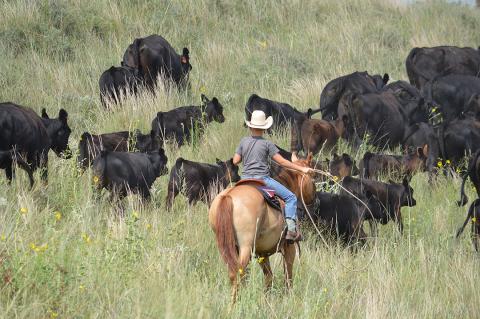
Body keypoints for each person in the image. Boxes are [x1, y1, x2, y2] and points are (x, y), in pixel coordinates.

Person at [233, 110, 313, 242]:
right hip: (262, 183)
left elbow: (236, 161)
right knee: (290, 198)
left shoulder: (243, 141)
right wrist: (302, 169)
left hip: (245, 181)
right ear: (264, 128)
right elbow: (282, 162)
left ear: (251, 126)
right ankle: (291, 231)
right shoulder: (267, 144)